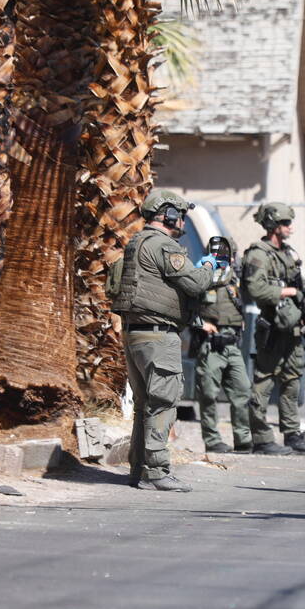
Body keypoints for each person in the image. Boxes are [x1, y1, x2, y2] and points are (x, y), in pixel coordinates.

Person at [112, 189, 216, 491]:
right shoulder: (162, 245)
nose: (182, 221)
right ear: (168, 215)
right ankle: (156, 472)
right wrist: (210, 266)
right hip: (158, 337)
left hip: (135, 334)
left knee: (144, 405)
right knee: (163, 403)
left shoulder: (137, 243)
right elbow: (196, 283)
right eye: (180, 214)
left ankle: (139, 469)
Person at [243, 202, 305, 456]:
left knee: (291, 383)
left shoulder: (288, 254)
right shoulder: (258, 254)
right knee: (263, 384)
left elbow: (302, 286)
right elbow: (256, 290)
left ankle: (292, 434)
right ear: (274, 226)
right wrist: (289, 291)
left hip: (294, 328)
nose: (291, 228)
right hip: (272, 329)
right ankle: (262, 438)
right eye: (286, 224)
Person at [191, 235, 252, 454]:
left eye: (228, 255)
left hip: (233, 344)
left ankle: (243, 439)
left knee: (242, 390)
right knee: (208, 393)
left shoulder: (236, 278)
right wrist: (200, 324)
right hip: (211, 344)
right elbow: (183, 306)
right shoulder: (202, 275)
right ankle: (212, 440)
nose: (224, 258)